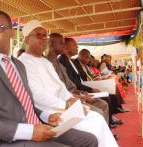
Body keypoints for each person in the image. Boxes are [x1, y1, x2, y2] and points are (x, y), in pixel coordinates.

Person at [0, 10, 98, 147]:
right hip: (1, 140)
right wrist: (29, 132)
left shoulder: (18, 65)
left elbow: (24, 103)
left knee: (89, 140)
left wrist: (47, 116)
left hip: (36, 125)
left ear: (11, 33)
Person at [18, 19, 118, 147]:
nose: (44, 39)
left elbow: (61, 88)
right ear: (27, 40)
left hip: (65, 109)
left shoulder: (45, 62)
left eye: (45, 36)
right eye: (39, 35)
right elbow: (37, 95)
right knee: (93, 127)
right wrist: (66, 104)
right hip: (49, 114)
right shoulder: (23, 63)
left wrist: (73, 101)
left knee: (97, 118)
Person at [47, 33, 109, 123]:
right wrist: (81, 97)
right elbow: (61, 91)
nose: (63, 46)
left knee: (103, 104)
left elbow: (71, 85)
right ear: (51, 44)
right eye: (61, 43)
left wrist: (82, 93)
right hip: (67, 100)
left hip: (75, 94)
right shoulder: (50, 63)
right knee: (98, 112)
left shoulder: (60, 63)